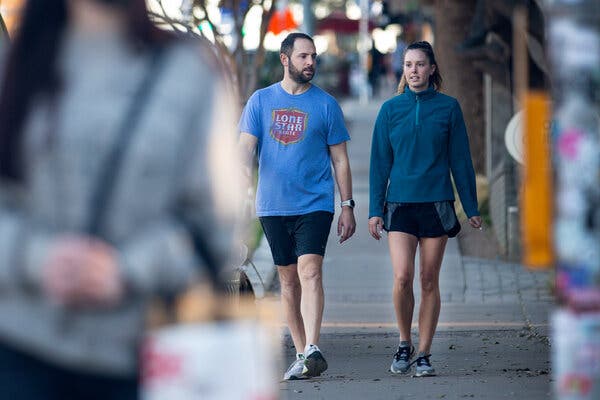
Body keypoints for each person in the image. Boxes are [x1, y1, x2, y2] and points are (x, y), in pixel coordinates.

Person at [0, 0, 240, 398]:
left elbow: (214, 225)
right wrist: (38, 258)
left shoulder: (187, 71)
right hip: (20, 354)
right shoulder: (19, 64)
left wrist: (128, 269)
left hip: (142, 361)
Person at [238, 32, 356, 380]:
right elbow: (245, 148)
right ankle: (303, 352)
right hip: (273, 206)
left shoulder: (326, 105)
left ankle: (314, 345)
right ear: (285, 59)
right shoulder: (260, 101)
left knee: (310, 271)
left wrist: (346, 204)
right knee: (288, 282)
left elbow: (341, 161)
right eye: (304, 56)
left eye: (314, 57)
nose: (311, 63)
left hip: (315, 203)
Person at [368, 41, 482, 377]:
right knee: (403, 277)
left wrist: (471, 206)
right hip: (400, 205)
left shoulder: (448, 108)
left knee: (428, 279)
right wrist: (376, 209)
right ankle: (404, 342)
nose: (414, 70)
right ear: (402, 70)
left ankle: (424, 353)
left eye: (420, 64)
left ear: (432, 68)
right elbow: (379, 164)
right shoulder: (390, 110)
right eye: (408, 65)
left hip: (436, 204)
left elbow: (461, 160)